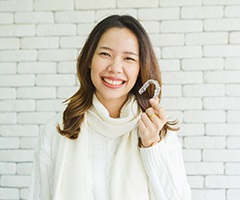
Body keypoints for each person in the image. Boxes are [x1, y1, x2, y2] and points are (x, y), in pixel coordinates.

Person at [27, 15, 191, 200]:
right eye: (105, 54)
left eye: (128, 58)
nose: (115, 67)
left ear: (140, 68)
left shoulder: (158, 130)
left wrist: (152, 145)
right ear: (89, 60)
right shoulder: (58, 129)